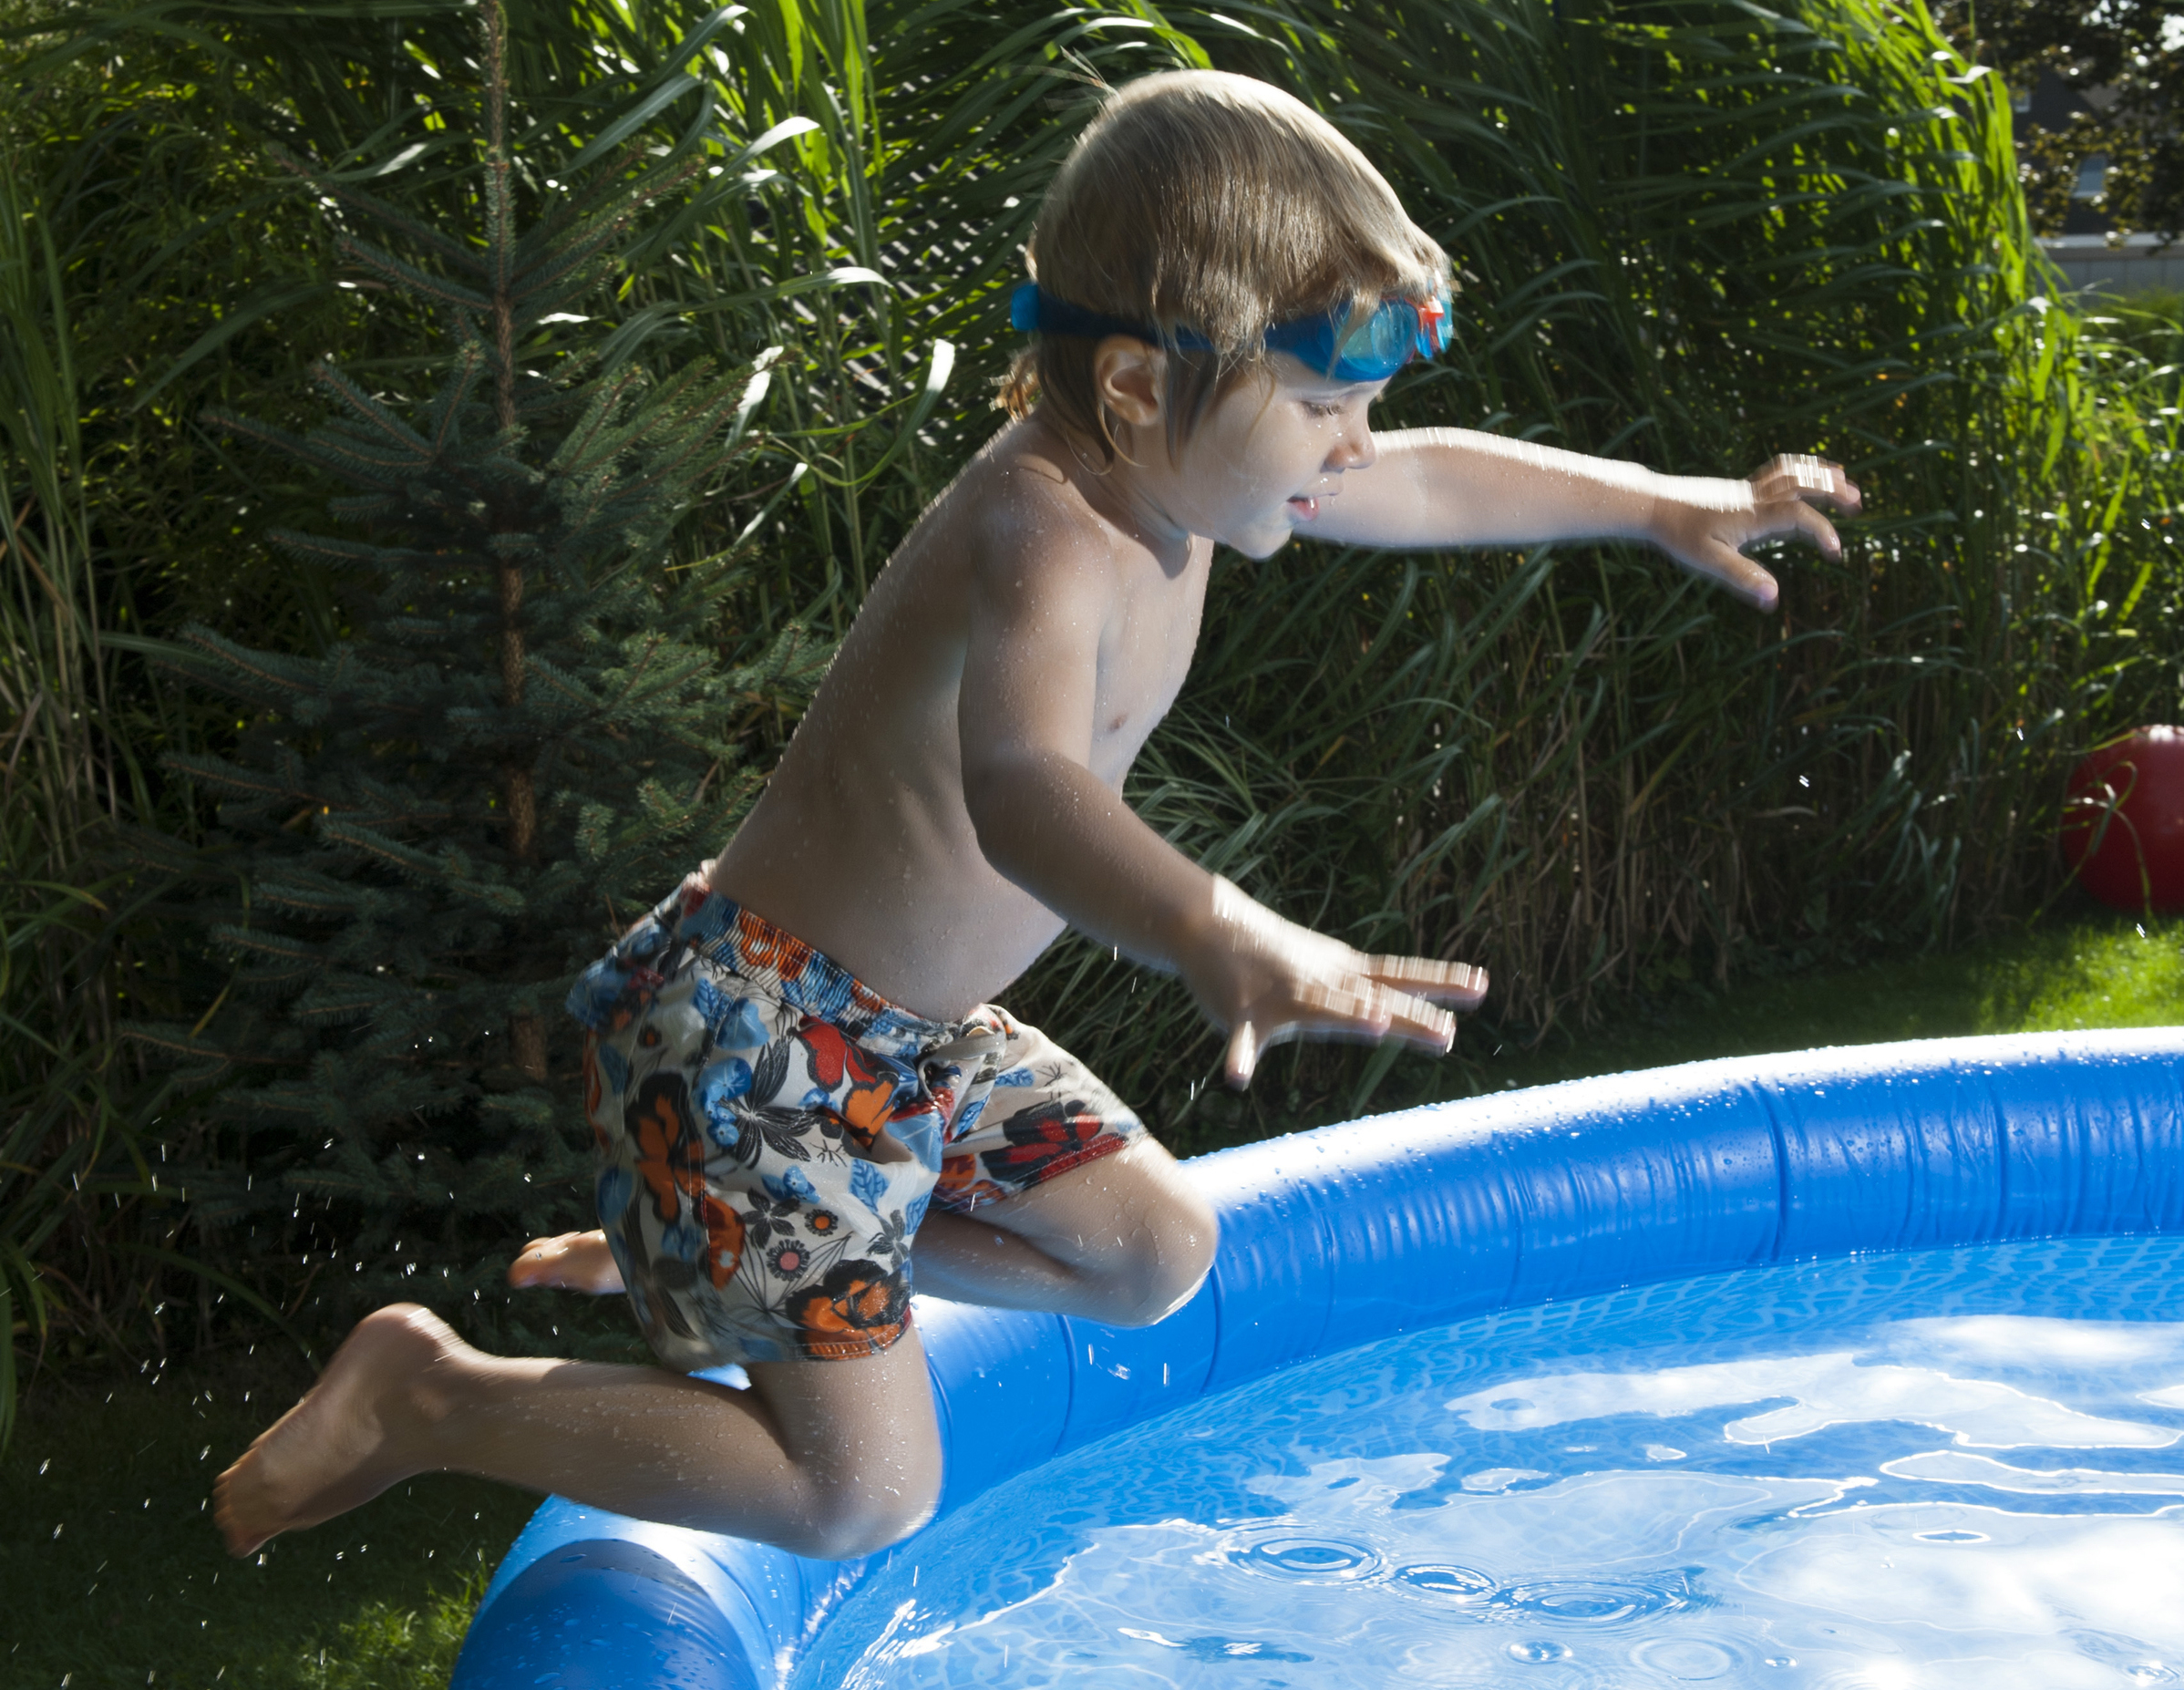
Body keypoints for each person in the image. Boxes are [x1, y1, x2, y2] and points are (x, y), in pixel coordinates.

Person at [212, 68, 1858, 1561]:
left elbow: (1423, 477)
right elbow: (1022, 794)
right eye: (1322, 406)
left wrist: (1656, 504)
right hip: (760, 1033)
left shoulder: (1197, 472)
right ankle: (434, 1393)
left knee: (1152, 1256)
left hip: (907, 1043)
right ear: (1140, 381)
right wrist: (1216, 925)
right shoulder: (1045, 530)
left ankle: (735, 1257)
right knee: (861, 1499)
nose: (1352, 447)